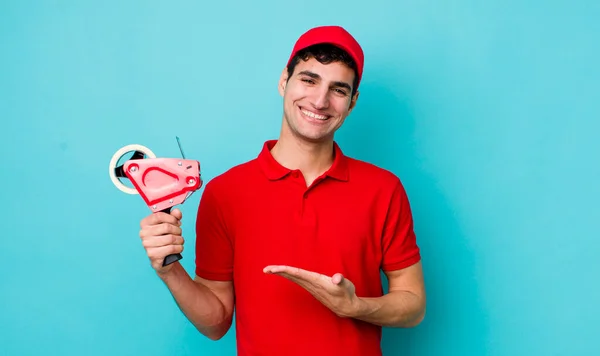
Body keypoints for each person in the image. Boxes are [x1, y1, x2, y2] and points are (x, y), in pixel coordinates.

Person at [138, 25, 426, 356]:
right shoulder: (225, 192)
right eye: (309, 79)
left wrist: (355, 306)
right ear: (283, 82)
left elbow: (413, 303)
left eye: (338, 89)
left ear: (353, 102)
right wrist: (170, 271)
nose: (320, 100)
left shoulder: (383, 189)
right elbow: (216, 323)